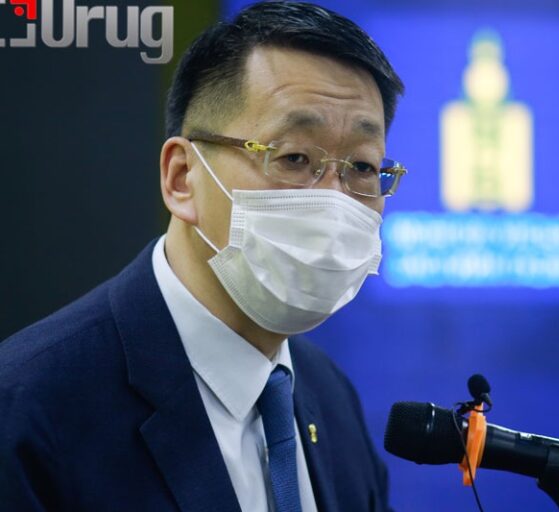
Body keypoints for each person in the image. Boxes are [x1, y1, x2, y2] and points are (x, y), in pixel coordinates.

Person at [0, 2, 406, 511]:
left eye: (362, 167)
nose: (333, 200)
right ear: (182, 178)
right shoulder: (30, 409)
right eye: (294, 157)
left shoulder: (331, 397)